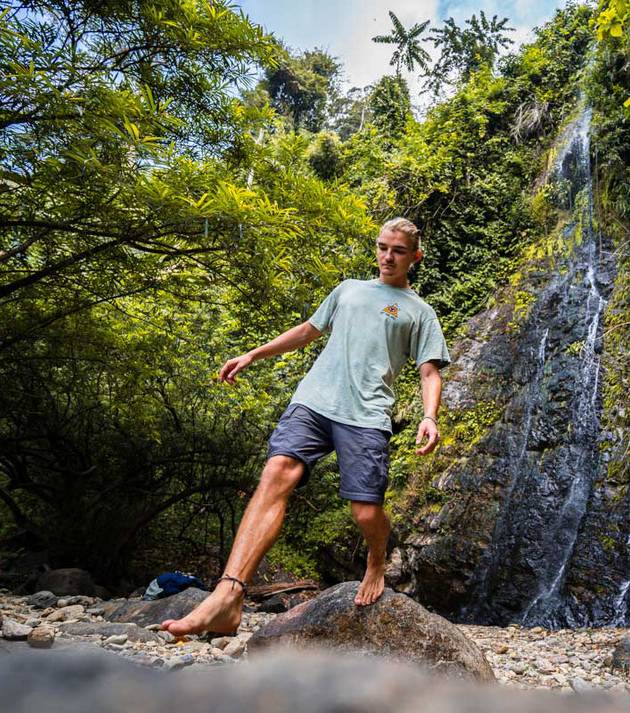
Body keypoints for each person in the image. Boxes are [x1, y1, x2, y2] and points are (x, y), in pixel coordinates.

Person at [161, 218, 450, 636]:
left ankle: (375, 559)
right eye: (383, 247)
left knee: (365, 511)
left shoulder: (419, 312)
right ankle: (228, 595)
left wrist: (429, 416)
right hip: (314, 400)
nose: (388, 256)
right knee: (276, 473)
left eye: (399, 251)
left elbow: (428, 373)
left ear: (415, 257)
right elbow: (307, 331)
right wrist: (252, 355)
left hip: (366, 415)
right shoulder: (348, 289)